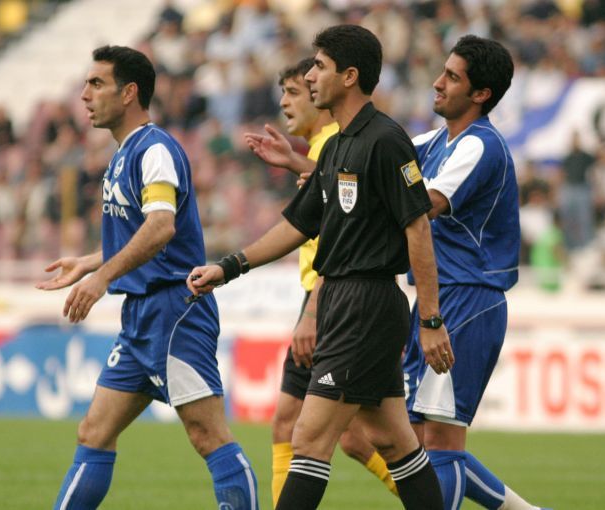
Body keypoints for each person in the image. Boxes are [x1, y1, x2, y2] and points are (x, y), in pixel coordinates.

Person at [190, 24, 451, 510]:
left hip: (365, 304)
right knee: (393, 441)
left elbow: (418, 229)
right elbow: (297, 224)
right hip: (344, 304)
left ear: (349, 76)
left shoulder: (386, 140)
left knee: (308, 438)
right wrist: (228, 267)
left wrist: (431, 320)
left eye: (319, 67)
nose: (310, 76)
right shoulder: (333, 147)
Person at [36, 45, 259, 510]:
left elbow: (161, 228)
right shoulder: (126, 153)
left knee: (208, 435)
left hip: (174, 311)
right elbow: (143, 233)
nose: (85, 95)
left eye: (97, 83)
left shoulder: (155, 149)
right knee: (93, 432)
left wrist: (101, 279)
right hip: (141, 315)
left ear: (129, 92)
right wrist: (91, 262)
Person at [402, 35, 548, 510]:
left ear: (481, 93)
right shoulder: (436, 142)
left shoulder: (480, 146)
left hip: (467, 298)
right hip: (438, 294)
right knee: (417, 439)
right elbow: (376, 159)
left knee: (441, 440)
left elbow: (425, 204)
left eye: (452, 77)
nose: (437, 83)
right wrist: (306, 164)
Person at [245, 57, 397, 506]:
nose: (287, 101)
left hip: (332, 294)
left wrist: (312, 311)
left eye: (295, 91)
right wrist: (296, 162)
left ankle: (449, 494)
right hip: (336, 294)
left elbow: (341, 222)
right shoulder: (323, 147)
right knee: (361, 438)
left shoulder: (336, 140)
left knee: (297, 427)